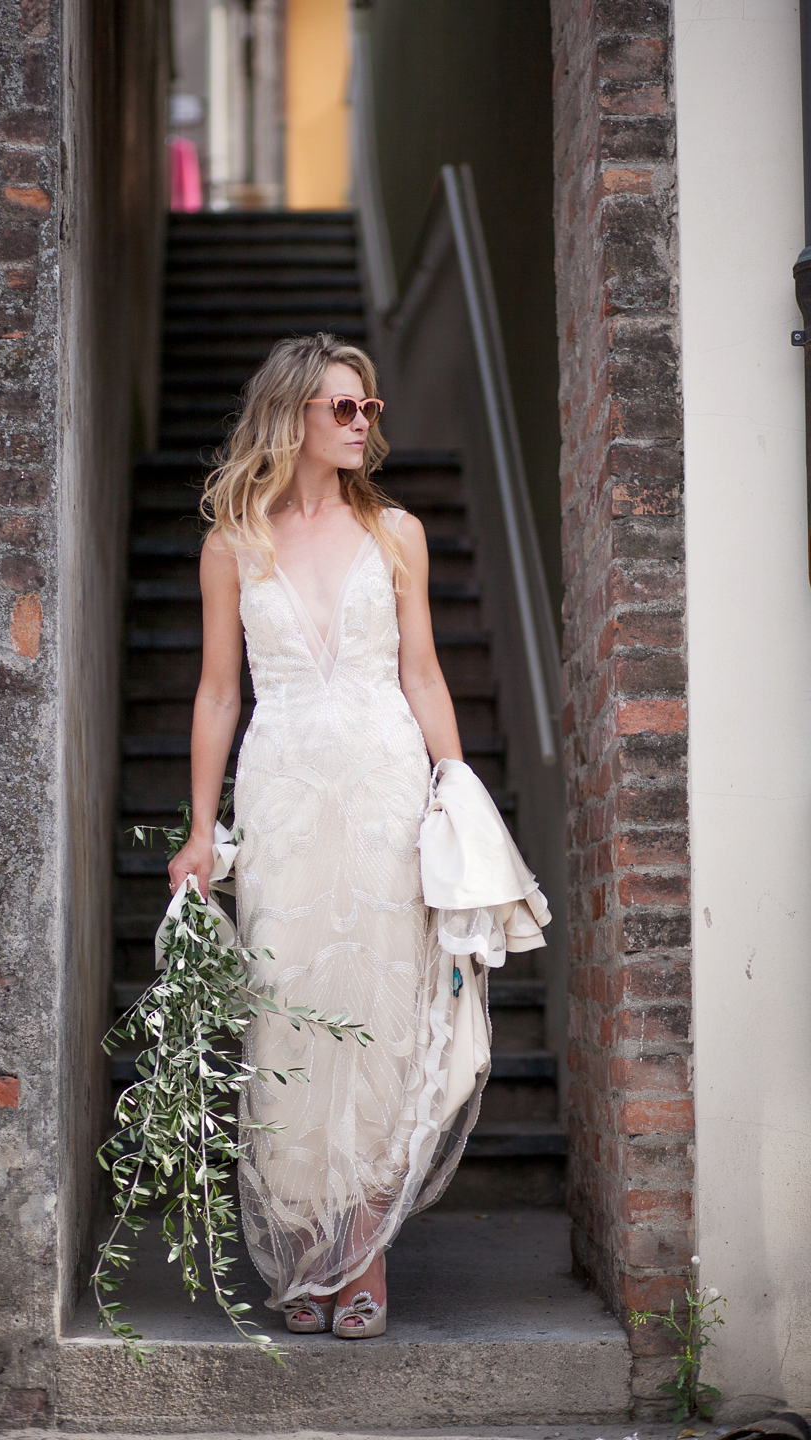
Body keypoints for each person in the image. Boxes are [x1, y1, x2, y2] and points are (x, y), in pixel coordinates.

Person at [168, 332, 546, 1339]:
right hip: (285, 793)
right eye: (344, 407)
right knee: (290, 1014)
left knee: (379, 1017)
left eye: (369, 408)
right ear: (292, 414)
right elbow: (216, 693)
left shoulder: (400, 535)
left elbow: (422, 673)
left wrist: (454, 789)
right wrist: (202, 830)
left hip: (383, 789)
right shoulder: (231, 542)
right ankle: (306, 1252)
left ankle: (363, 1259)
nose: (363, 422)